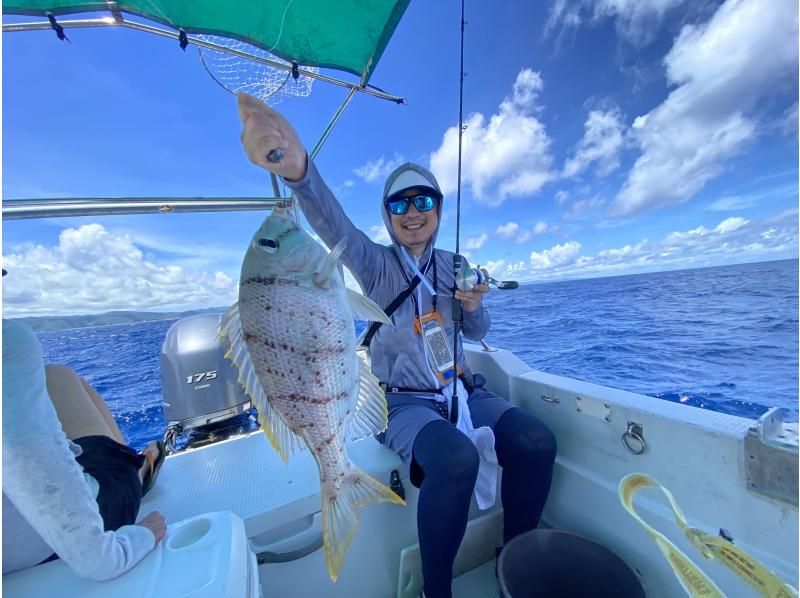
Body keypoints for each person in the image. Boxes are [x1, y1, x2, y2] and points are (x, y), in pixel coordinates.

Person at [237, 93, 557, 598]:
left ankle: (512, 559)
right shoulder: (376, 264)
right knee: (455, 461)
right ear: (387, 215)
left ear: (437, 209)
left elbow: (476, 334)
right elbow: (332, 224)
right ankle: (436, 591)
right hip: (404, 402)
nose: (412, 212)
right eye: (399, 204)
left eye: (423, 201)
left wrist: (472, 305)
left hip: (463, 392)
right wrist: (298, 172)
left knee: (538, 442)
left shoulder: (454, 263)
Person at [2, 316, 167, 580]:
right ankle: (135, 475)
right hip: (56, 541)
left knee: (56, 374)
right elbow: (95, 559)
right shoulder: (7, 342)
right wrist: (137, 539)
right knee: (113, 463)